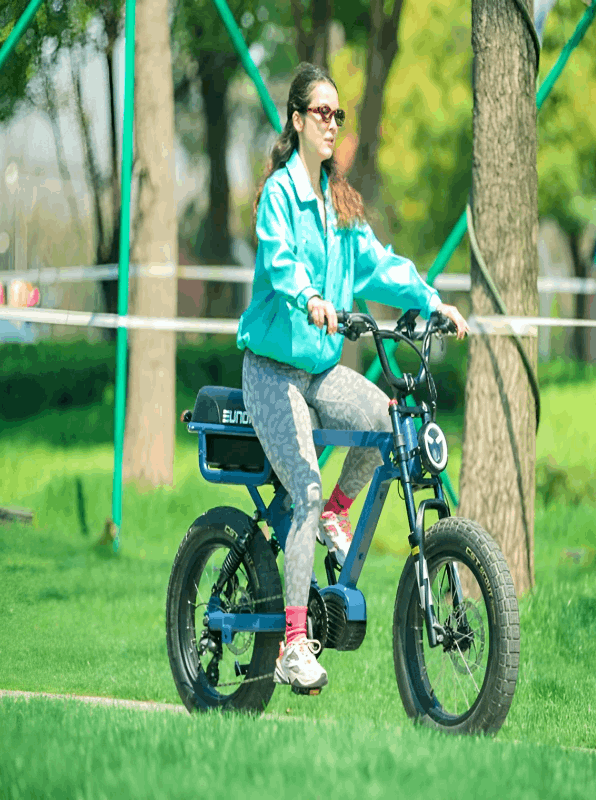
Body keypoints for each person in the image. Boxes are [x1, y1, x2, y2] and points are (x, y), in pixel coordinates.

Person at [237, 63, 468, 692]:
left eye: (339, 114)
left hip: (318, 368)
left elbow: (381, 266)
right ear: (296, 119)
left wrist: (429, 301)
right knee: (304, 489)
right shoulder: (280, 196)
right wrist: (309, 295)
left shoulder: (340, 204)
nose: (332, 123)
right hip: (271, 370)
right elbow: (279, 262)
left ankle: (341, 512)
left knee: (385, 419)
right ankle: (291, 644)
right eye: (322, 112)